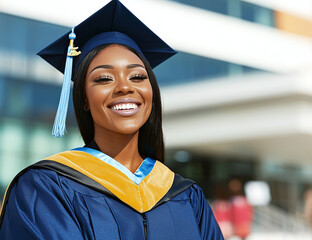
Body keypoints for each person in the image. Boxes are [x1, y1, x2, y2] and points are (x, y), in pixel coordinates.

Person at [0, 1, 224, 239]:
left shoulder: (187, 197)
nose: (125, 87)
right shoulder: (45, 188)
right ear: (83, 98)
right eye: (104, 78)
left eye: (137, 76)